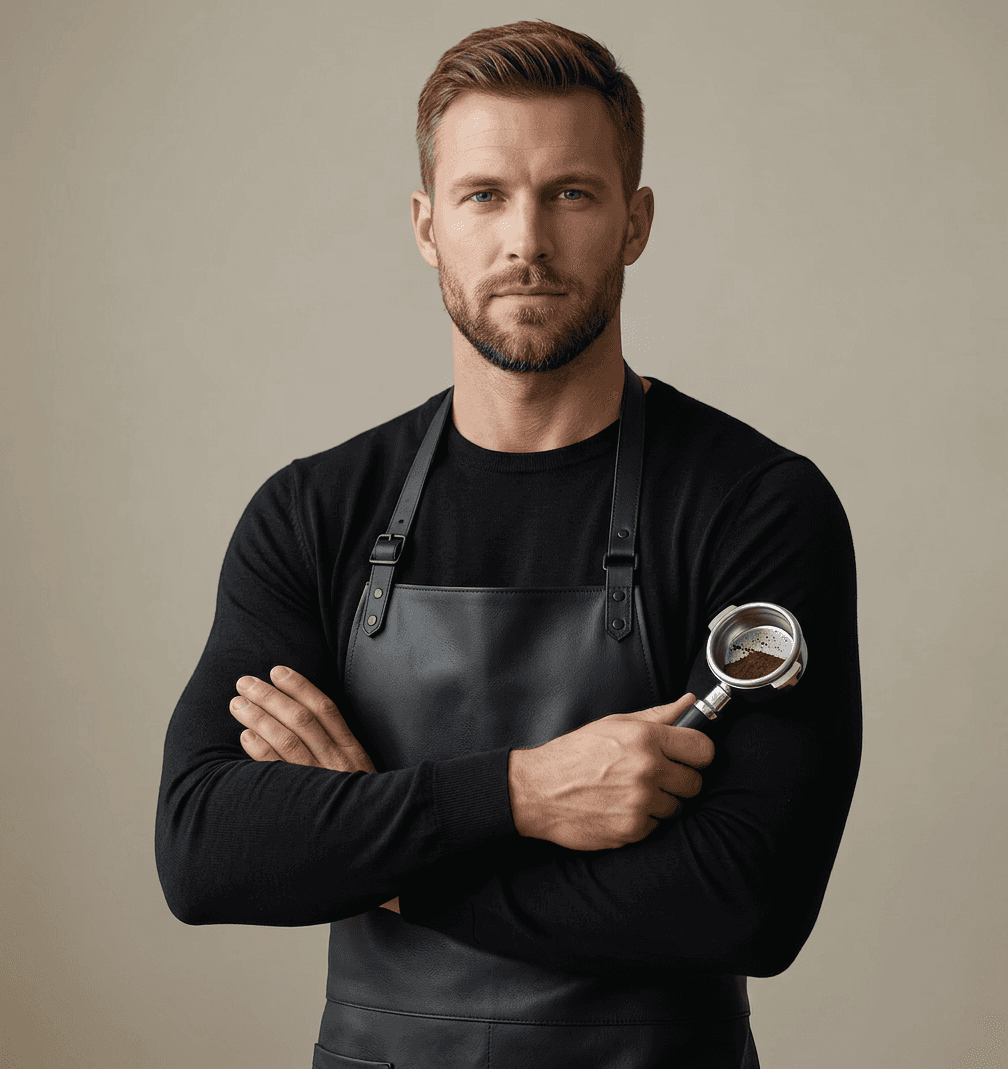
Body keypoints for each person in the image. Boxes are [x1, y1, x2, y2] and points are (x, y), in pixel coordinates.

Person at [155, 19, 861, 1069]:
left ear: (635, 220)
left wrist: (378, 856)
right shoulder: (314, 510)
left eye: (570, 192)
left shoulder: (756, 505)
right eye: (485, 195)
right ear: (427, 222)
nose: (525, 240)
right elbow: (207, 847)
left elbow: (744, 902)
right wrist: (524, 791)